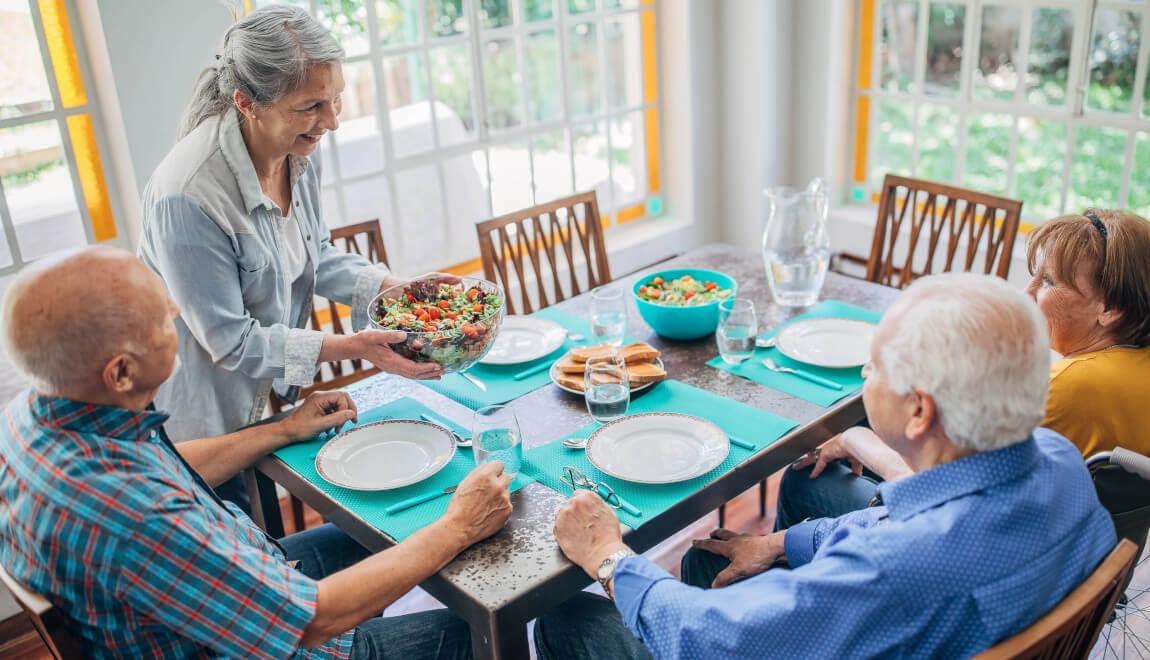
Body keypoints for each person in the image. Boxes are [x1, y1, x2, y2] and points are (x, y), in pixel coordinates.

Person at [534, 272, 1116, 659]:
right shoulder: (1061, 460)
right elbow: (900, 517)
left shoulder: (887, 572)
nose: (865, 377)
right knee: (708, 564)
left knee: (564, 624)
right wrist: (781, 544)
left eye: (876, 366)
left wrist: (610, 557)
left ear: (919, 411)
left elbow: (709, 638)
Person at [0, 247, 512, 658]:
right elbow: (312, 621)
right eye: (160, 321)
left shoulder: (36, 415)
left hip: (228, 572)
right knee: (474, 628)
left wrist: (282, 430)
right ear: (121, 373)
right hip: (267, 636)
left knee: (387, 529)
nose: (178, 314)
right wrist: (459, 526)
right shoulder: (129, 513)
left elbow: (162, 466)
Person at [137, 5, 441, 503]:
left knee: (263, 534)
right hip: (199, 423)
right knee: (236, 548)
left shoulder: (295, 155)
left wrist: (401, 290)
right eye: (311, 106)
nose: (332, 122)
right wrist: (357, 346)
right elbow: (232, 342)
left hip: (260, 404)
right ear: (247, 102)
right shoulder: (187, 197)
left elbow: (315, 254)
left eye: (336, 100)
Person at [777, 208, 1150, 528]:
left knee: (803, 479)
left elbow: (939, 488)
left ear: (1110, 309)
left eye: (1049, 281)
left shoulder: (1070, 386)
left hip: (978, 535)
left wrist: (847, 438)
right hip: (1077, 546)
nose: (1027, 292)